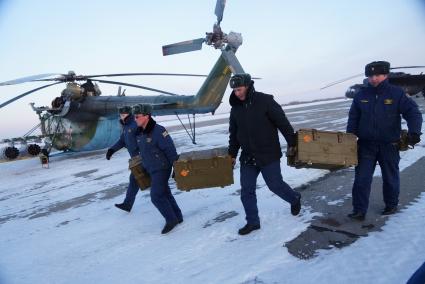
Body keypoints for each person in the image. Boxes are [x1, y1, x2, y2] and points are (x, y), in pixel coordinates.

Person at [347, 61, 423, 221]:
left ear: (386, 75)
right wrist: (349, 137)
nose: (374, 78)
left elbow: (413, 113)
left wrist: (414, 132)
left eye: (378, 75)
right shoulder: (361, 95)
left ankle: (391, 204)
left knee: (390, 178)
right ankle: (359, 210)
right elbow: (353, 118)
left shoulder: (396, 93)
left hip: (389, 144)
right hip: (366, 145)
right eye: (371, 75)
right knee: (361, 179)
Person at [227, 73, 302, 236]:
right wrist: (232, 155)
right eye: (234, 90)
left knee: (275, 185)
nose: (237, 93)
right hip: (248, 156)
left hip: (268, 154)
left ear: (247, 86)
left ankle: (294, 198)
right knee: (247, 190)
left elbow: (283, 123)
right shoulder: (235, 109)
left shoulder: (265, 101)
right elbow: (234, 135)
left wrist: (293, 143)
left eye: (239, 89)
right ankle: (252, 222)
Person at [132, 103, 183, 234]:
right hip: (151, 168)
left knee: (156, 196)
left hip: (161, 168)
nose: (135, 119)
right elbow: (144, 152)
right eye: (134, 116)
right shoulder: (140, 133)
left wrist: (177, 169)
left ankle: (171, 220)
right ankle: (178, 216)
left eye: (137, 116)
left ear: (146, 116)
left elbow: (170, 150)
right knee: (165, 193)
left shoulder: (159, 131)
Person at [106, 106, 140, 212]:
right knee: (135, 180)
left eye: (124, 115)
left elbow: (144, 140)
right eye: (121, 115)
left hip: (143, 158)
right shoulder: (126, 126)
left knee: (156, 183)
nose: (122, 117)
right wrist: (111, 150)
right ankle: (127, 204)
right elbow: (122, 141)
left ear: (129, 114)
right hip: (136, 160)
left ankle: (127, 204)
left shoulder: (135, 125)